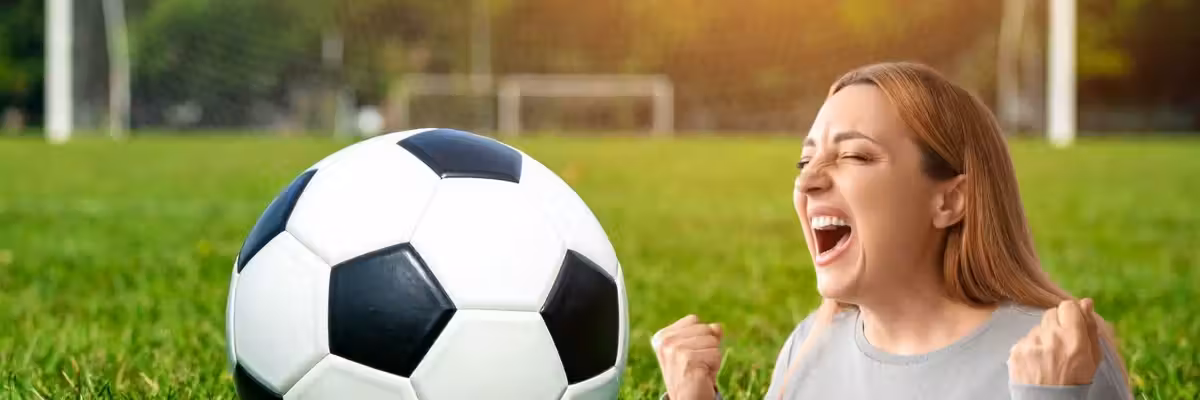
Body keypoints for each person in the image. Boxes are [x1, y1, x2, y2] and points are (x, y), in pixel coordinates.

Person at [651, 62, 1132, 400]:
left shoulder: (1061, 357)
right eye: (805, 159)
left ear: (949, 200)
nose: (807, 178)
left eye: (855, 155)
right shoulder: (810, 347)